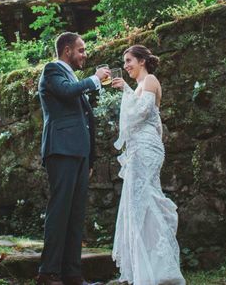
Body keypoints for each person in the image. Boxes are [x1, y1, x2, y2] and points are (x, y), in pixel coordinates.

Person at [37, 32, 111, 285]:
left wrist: (90, 159)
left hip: (79, 153)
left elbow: (85, 119)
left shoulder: (71, 75)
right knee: (60, 211)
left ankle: (72, 275)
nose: (84, 54)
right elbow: (66, 92)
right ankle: (48, 273)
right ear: (67, 50)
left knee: (76, 214)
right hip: (61, 149)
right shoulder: (52, 70)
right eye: (81, 50)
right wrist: (94, 79)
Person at [110, 45, 185, 285]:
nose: (126, 66)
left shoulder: (151, 80)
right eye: (125, 62)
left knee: (146, 201)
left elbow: (140, 114)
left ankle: (161, 269)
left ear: (142, 61)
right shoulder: (139, 87)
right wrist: (127, 89)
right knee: (138, 205)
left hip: (146, 149)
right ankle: (148, 268)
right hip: (137, 150)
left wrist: (125, 91)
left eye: (129, 60)